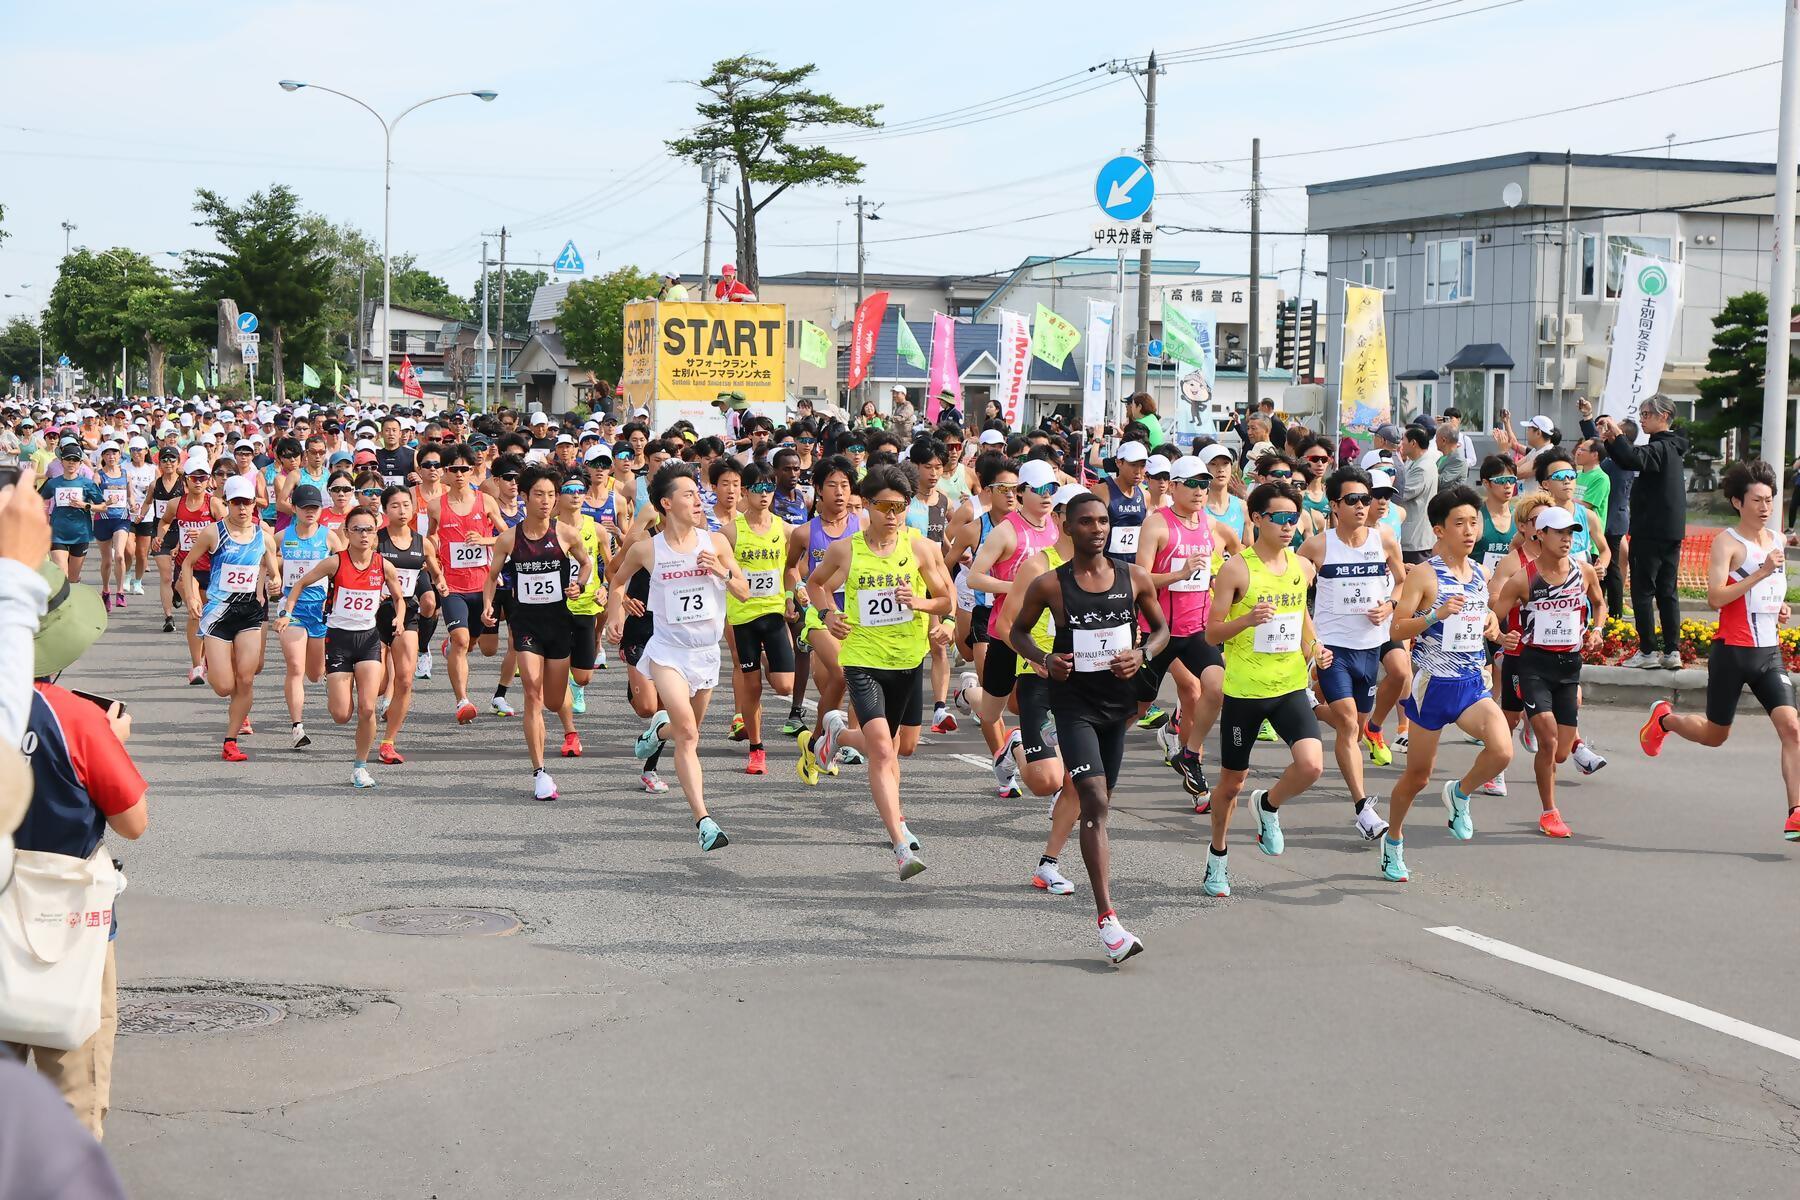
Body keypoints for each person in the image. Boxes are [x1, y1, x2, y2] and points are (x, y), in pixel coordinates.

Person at [12, 557, 145, 1141]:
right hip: (64, 919)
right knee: (72, 1089)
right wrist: (111, 743)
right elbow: (133, 820)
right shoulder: (77, 718)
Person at [1008, 492, 1168, 963]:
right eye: (1086, 522)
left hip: (1118, 708)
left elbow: (1161, 630)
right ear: (1068, 527)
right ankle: (1108, 921)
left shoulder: (1133, 578)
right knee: (1094, 798)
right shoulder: (1050, 585)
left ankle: (1056, 856)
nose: (1097, 528)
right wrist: (1043, 660)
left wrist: (1143, 654)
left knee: (1101, 801)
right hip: (1073, 703)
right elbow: (1017, 631)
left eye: (1103, 521)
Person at [800, 463, 956, 879]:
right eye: (884, 505)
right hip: (862, 659)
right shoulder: (846, 550)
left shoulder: (921, 548)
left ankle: (834, 734)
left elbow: (947, 598)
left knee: (900, 748)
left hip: (907, 659)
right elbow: (815, 584)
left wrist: (922, 607)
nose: (892, 514)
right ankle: (900, 842)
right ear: (866, 505)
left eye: (900, 506)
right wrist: (828, 614)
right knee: (882, 750)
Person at [1641, 460, 1800, 838]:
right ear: (1736, 502)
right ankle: (1664, 719)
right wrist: (1760, 573)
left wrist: (1779, 607)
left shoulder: (1776, 540)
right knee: (1716, 735)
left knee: (1792, 728)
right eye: (1757, 500)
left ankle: (1795, 811)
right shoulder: (1727, 543)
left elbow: (1764, 595)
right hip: (1731, 653)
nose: (1765, 507)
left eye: (1770, 499)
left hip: (1768, 653)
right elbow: (1715, 597)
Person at [604, 462, 751, 850]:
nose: (697, 499)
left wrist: (720, 570)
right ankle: (704, 820)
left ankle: (656, 730)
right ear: (666, 503)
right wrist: (616, 613)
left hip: (706, 654)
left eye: (697, 493)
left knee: (689, 732)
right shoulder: (647, 549)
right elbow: (616, 582)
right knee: (687, 734)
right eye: (688, 494)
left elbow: (744, 591)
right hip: (667, 652)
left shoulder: (716, 543)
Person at [1380, 486, 1514, 883]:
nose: (1470, 530)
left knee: (1502, 751)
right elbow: (1396, 627)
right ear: (1439, 530)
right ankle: (1393, 841)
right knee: (1418, 776)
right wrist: (1435, 615)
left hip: (1472, 682)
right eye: (1460, 523)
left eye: (1474, 522)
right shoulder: (1423, 574)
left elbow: (1483, 615)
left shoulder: (1480, 573)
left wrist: (1491, 624)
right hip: (1433, 686)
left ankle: (1460, 792)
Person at [1201, 480, 1329, 898]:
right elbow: (1211, 633)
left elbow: (1301, 620)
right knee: (1231, 784)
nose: (1289, 525)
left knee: (1311, 766)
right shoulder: (1237, 569)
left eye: (1294, 518)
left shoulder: (1301, 567)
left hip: (1289, 685)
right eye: (1279, 518)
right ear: (1257, 519)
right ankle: (1218, 854)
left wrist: (1315, 648)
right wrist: (1247, 620)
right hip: (1244, 692)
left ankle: (1269, 805)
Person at [1299, 464, 1404, 840]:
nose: (1363, 506)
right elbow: (1295, 593)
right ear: (1334, 505)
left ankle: (1310, 705)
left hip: (1369, 649)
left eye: (1368, 499)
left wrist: (1390, 605)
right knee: (1346, 723)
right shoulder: (1318, 546)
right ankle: (1363, 808)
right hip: (1333, 649)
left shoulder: (1385, 540)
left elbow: (1402, 581)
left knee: (1355, 730)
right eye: (1353, 499)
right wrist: (1311, 644)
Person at [1490, 505, 1606, 838]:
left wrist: (1597, 630)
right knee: (1549, 739)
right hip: (1533, 665)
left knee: (1560, 752)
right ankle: (1549, 812)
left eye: (1571, 533)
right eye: (1559, 533)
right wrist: (1501, 636)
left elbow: (1599, 603)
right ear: (1540, 535)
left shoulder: (1583, 572)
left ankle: (1535, 728)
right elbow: (1493, 616)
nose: (1567, 539)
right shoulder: (1523, 578)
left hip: (1569, 667)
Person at [1134, 455, 1242, 807]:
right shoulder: (1157, 524)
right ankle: (1086, 760)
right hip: (1159, 631)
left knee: (1213, 689)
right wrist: (1177, 575)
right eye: (1192, 484)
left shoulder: (1207, 523)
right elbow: (1140, 577)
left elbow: (1231, 560)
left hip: (1197, 628)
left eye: (1204, 484)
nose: (1200, 491)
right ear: (1175, 486)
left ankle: (1190, 755)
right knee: (1134, 709)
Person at [482, 465, 594, 801]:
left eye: (551, 495)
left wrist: (580, 583)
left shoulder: (565, 534)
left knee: (554, 699)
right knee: (532, 691)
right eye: (539, 495)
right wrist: (488, 605)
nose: (546, 501)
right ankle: (540, 771)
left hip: (559, 625)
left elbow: (587, 564)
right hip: (525, 624)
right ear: (526, 497)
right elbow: (492, 576)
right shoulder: (509, 538)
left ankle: (557, 724)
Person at [276, 506, 402, 788]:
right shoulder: (335, 563)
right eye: (357, 529)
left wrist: (400, 618)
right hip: (339, 641)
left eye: (369, 529)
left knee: (368, 709)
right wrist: (287, 613)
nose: (363, 535)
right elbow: (299, 584)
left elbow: (399, 596)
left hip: (368, 640)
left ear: (376, 533)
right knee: (342, 714)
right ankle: (343, 691)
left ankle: (360, 767)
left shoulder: (383, 565)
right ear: (346, 533)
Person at [968, 459, 1061, 798]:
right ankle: (967, 692)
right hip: (1006, 632)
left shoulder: (1056, 526)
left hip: (1045, 634)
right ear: (1021, 493)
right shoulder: (1007, 531)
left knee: (1039, 705)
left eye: (1052, 489)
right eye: (1039, 490)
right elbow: (975, 576)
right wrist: (1018, 588)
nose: (1047, 497)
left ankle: (1051, 776)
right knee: (993, 711)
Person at [181, 475, 278, 761]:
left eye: (247, 502)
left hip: (249, 612)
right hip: (218, 614)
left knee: (246, 678)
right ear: (227, 505)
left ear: (253, 504)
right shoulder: (214, 532)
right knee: (224, 686)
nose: (243, 508)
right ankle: (213, 662)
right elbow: (187, 564)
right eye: (236, 503)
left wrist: (274, 582)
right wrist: (191, 596)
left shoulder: (264, 537)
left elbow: (274, 570)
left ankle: (230, 740)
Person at [1600, 396, 1687, 669]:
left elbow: (1633, 458)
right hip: (1670, 532)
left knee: (1643, 592)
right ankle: (1672, 651)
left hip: (1650, 531)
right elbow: (1629, 459)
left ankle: (1648, 652)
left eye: (1646, 413)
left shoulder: (1662, 446)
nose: (1642, 417)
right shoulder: (1672, 446)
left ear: (1664, 415)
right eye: (1642, 413)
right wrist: (1611, 439)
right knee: (1667, 592)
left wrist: (1615, 434)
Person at [435, 443, 506, 721]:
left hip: (483, 585)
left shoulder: (485, 502)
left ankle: (453, 647)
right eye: (454, 469)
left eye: (465, 468)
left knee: (474, 642)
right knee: (461, 639)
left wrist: (485, 540)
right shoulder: (435, 506)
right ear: (447, 473)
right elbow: (429, 539)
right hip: (453, 587)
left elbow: (507, 535)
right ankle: (462, 700)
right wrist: (436, 570)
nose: (460, 474)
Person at [374, 486, 441, 765]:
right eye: (395, 506)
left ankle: (388, 741)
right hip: (373, 613)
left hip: (406, 612)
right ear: (385, 510)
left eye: (406, 505)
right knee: (375, 687)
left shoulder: (422, 542)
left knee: (405, 678)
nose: (402, 511)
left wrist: (442, 584)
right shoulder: (375, 540)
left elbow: (434, 570)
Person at [276, 484, 336, 751]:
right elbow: (263, 559)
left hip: (320, 611)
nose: (310, 512)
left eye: (315, 508)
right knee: (296, 668)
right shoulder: (281, 537)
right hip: (292, 611)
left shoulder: (329, 537)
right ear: (295, 508)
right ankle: (297, 727)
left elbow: (348, 565)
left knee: (314, 673)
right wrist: (272, 578)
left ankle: (324, 671)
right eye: (305, 508)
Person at [40, 440, 103, 585]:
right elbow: (38, 500)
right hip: (58, 534)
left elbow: (103, 506)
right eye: (68, 459)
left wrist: (85, 505)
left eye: (75, 460)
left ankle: (70, 603)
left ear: (80, 463)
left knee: (73, 580)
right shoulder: (53, 483)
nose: (71, 462)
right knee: (62, 576)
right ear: (61, 461)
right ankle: (61, 605)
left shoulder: (87, 484)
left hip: (80, 534)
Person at [1397, 424, 1440, 565]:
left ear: (1413, 443)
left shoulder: (1423, 467)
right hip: (1411, 536)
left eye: (1403, 440)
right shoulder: (1414, 462)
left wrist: (1383, 492)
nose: (1401, 443)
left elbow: (1402, 494)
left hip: (1416, 539)